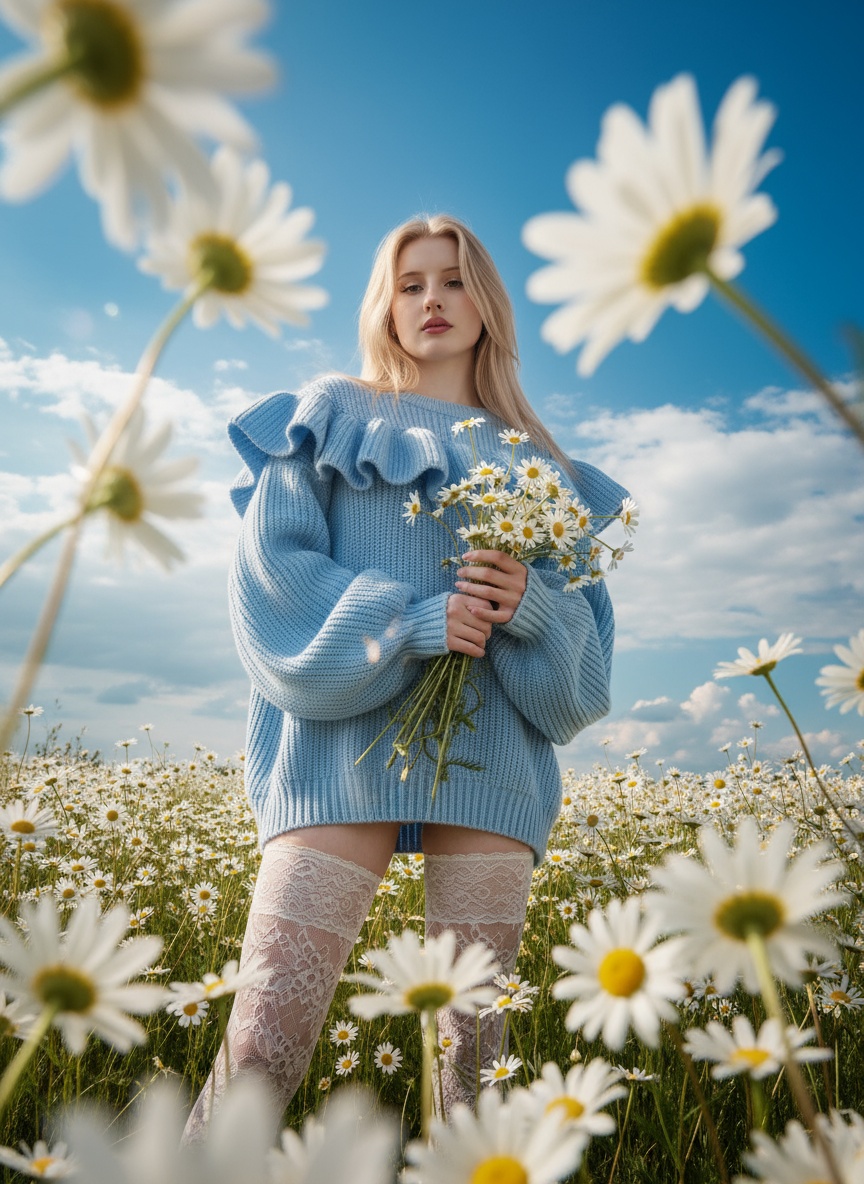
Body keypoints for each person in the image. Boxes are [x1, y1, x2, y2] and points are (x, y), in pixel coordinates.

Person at [183, 214, 627, 1138]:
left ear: (488, 303)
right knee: (262, 1051)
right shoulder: (329, 412)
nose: (433, 300)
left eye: (456, 280)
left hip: (491, 768)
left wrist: (530, 606)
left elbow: (579, 693)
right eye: (412, 282)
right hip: (337, 755)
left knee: (477, 1073)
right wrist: (418, 623)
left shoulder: (540, 466)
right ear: (384, 304)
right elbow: (273, 592)